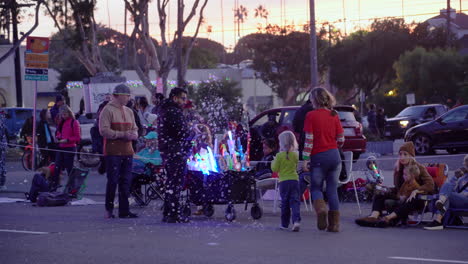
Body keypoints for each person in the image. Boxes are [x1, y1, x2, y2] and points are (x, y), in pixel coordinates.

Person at [355, 142, 435, 227]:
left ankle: (388, 218)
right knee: (380, 193)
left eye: (405, 154)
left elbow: (430, 184)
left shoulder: (419, 167)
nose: (402, 157)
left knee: (411, 199)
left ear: (411, 156)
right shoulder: (399, 168)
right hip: (401, 194)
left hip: (416, 197)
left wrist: (416, 190)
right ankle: (373, 217)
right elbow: (398, 188)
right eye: (400, 154)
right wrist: (385, 189)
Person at [303, 87, 344, 232]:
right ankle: (334, 225)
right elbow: (341, 139)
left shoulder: (311, 116)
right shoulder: (334, 114)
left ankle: (321, 211)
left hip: (318, 157)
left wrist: (305, 159)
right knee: (332, 190)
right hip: (334, 156)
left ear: (314, 100)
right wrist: (334, 145)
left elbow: (309, 140)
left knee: (316, 187)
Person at [99, 84, 139, 219]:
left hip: (128, 151)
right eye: (127, 95)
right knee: (113, 181)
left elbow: (135, 128)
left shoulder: (129, 111)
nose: (128, 98)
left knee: (126, 181)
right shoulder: (107, 110)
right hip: (113, 152)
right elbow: (103, 131)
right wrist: (122, 134)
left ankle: (124, 210)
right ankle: (109, 210)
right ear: (119, 95)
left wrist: (134, 134)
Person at [158, 87, 191, 223]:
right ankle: (173, 213)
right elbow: (181, 132)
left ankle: (169, 212)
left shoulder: (166, 110)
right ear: (175, 98)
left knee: (172, 182)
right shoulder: (173, 111)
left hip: (170, 149)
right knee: (176, 182)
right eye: (183, 98)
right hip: (175, 150)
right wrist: (189, 131)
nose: (185, 101)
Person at [424, 154, 468, 230]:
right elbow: (454, 189)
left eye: (466, 162)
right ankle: (438, 219)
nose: (465, 164)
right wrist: (455, 177)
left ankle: (438, 219)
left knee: (446, 194)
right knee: (447, 186)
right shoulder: (463, 177)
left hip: (466, 201)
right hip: (459, 199)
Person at [271, 130, 301, 232]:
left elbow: (275, 169)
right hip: (294, 180)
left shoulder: (279, 156)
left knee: (285, 203)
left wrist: (273, 161)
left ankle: (284, 224)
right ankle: (296, 221)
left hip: (283, 181)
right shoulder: (295, 155)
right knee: (295, 201)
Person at [50, 105, 81, 190]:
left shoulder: (74, 122)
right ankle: (54, 185)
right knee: (57, 167)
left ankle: (72, 188)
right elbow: (59, 133)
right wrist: (59, 137)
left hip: (70, 147)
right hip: (61, 147)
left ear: (69, 113)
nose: (64, 116)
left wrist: (67, 140)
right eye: (62, 114)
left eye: (65, 114)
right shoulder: (62, 122)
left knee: (69, 168)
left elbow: (77, 137)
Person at [0, 110, 7, 190]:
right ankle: (2, 183)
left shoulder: (1, 122)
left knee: (1, 164)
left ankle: (1, 183)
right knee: (2, 164)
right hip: (2, 145)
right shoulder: (2, 122)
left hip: (1, 145)